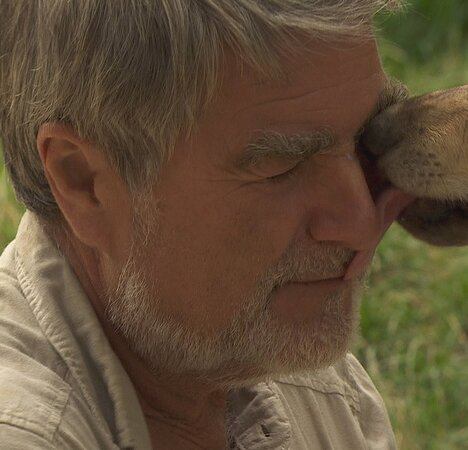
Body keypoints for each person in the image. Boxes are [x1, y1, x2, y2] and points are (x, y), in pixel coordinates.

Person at [0, 1, 414, 448]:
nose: (362, 223)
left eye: (365, 144)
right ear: (83, 182)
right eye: (283, 166)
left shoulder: (300, 374)